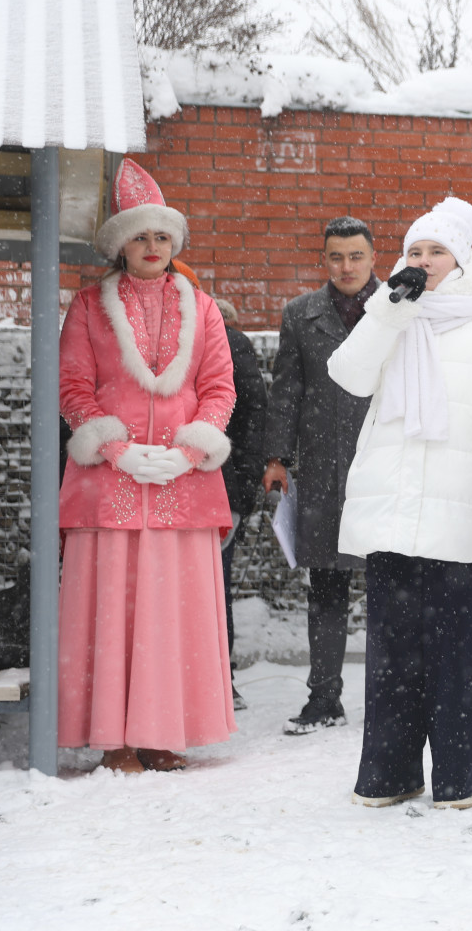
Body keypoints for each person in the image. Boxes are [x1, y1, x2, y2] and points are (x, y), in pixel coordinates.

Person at [328, 196, 472, 811]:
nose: (423, 260)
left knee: (453, 653)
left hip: (455, 509)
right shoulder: (389, 321)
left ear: (463, 262)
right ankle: (390, 773)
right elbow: (349, 374)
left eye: (436, 252)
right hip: (391, 506)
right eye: (414, 251)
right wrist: (389, 310)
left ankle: (454, 776)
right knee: (392, 653)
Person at [57, 159, 237, 773]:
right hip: (110, 483)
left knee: (171, 610)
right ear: (120, 244)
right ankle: (114, 737)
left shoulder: (205, 308)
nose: (153, 247)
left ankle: (163, 733)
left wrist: (189, 451)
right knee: (115, 605)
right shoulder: (86, 306)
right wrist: (117, 448)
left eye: (162, 236)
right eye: (141, 236)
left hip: (182, 485)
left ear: (175, 244)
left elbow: (219, 388)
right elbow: (74, 387)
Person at [263, 217, 379, 735]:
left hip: (384, 469)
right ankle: (324, 699)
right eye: (336, 257)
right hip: (322, 467)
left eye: (355, 256)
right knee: (326, 589)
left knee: (390, 589)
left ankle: (389, 695)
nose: (346, 267)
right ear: (323, 260)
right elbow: (286, 393)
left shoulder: (398, 310)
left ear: (373, 258)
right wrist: (276, 457)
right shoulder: (301, 315)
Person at [215, 297, 267, 711]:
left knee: (212, 583)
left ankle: (216, 678)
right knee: (217, 585)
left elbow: (252, 412)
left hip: (219, 483)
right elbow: (255, 415)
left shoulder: (227, 345)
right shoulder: (237, 346)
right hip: (225, 483)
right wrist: (245, 483)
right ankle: (220, 679)